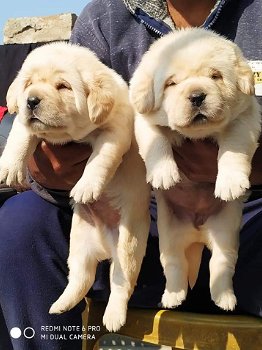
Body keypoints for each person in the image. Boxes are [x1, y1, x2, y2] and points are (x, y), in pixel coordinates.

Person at [0, 0, 261, 349]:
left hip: (251, 216)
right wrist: (48, 173)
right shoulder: (105, 17)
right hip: (136, 215)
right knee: (21, 226)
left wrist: (251, 166)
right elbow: (82, 120)